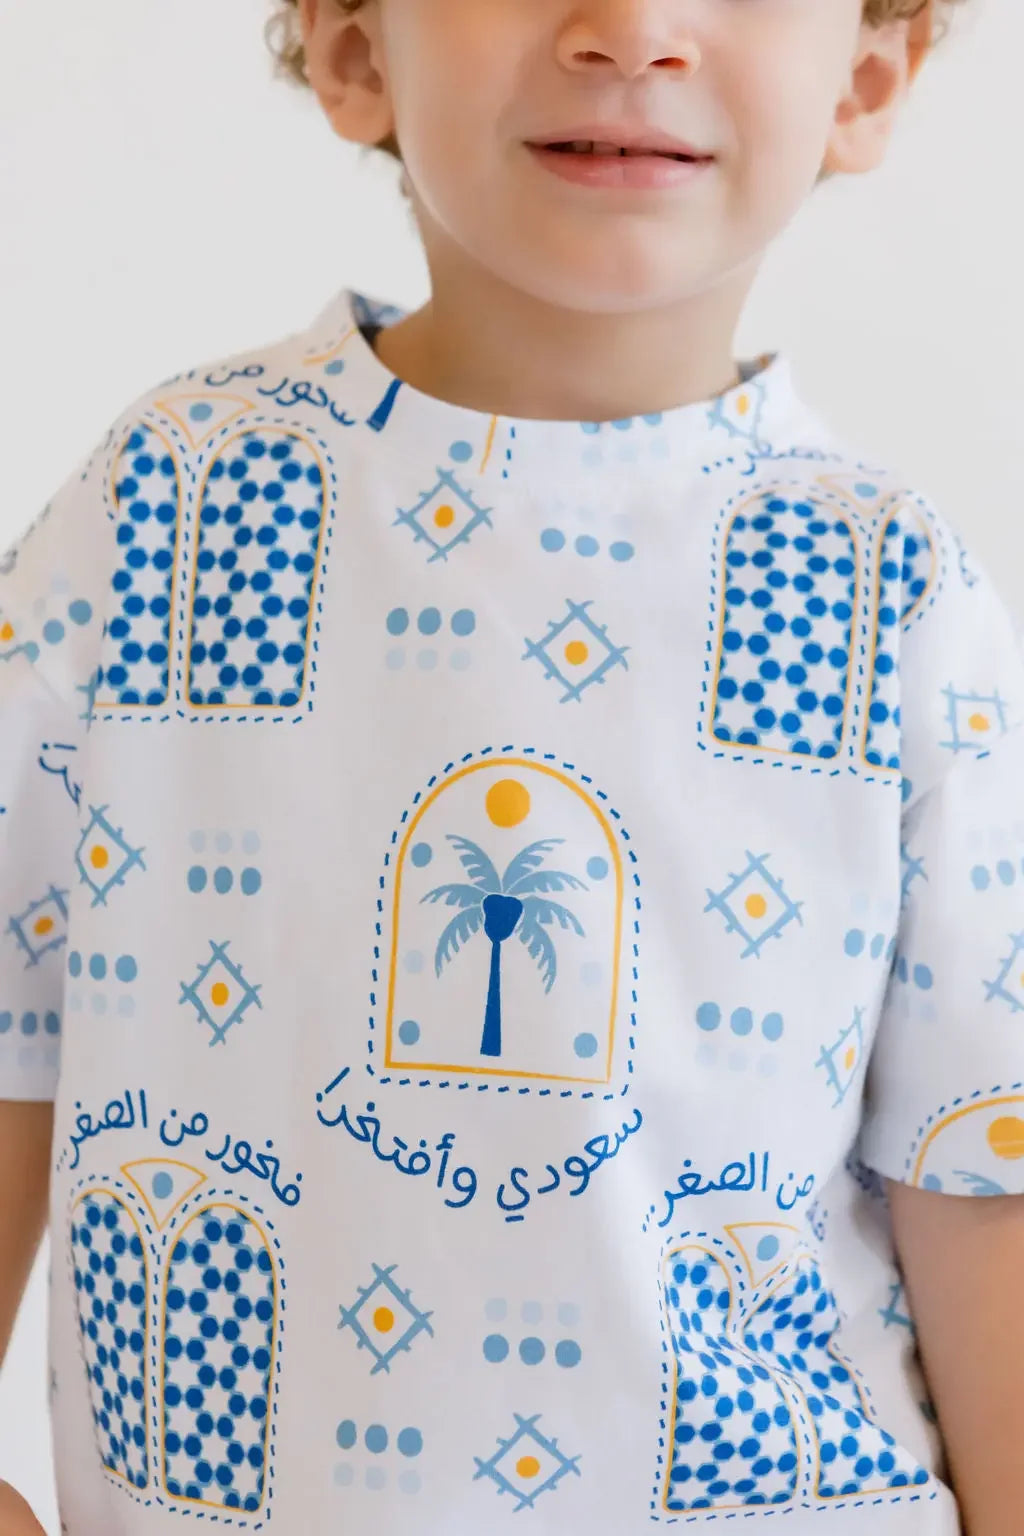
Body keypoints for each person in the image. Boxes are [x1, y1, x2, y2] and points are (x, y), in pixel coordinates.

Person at [1, 0, 1020, 1531]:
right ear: (356, 50)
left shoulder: (890, 595)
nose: (633, 28)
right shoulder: (174, 508)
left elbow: (982, 1156)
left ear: (865, 80)